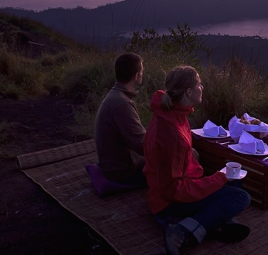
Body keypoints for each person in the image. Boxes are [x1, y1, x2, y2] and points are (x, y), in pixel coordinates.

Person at [143, 66, 251, 255]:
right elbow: (172, 190)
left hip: (179, 186)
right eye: (199, 83)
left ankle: (213, 224)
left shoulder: (173, 113)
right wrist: (220, 178)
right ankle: (182, 229)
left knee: (238, 181)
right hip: (167, 204)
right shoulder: (171, 131)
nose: (202, 87)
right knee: (240, 197)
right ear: (189, 91)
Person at [93, 53, 147, 186]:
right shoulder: (122, 104)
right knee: (176, 161)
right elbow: (142, 146)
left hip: (112, 165)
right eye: (141, 71)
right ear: (136, 76)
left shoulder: (114, 95)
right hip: (122, 172)